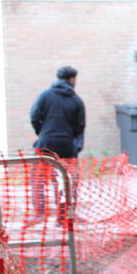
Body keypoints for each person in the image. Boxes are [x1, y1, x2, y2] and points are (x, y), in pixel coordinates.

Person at [29, 65, 86, 220]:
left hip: (45, 143)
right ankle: (63, 216)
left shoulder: (45, 95)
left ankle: (40, 213)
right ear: (72, 79)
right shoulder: (76, 101)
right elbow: (80, 128)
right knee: (65, 180)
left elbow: (34, 116)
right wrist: (76, 147)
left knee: (38, 178)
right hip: (66, 145)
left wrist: (42, 133)